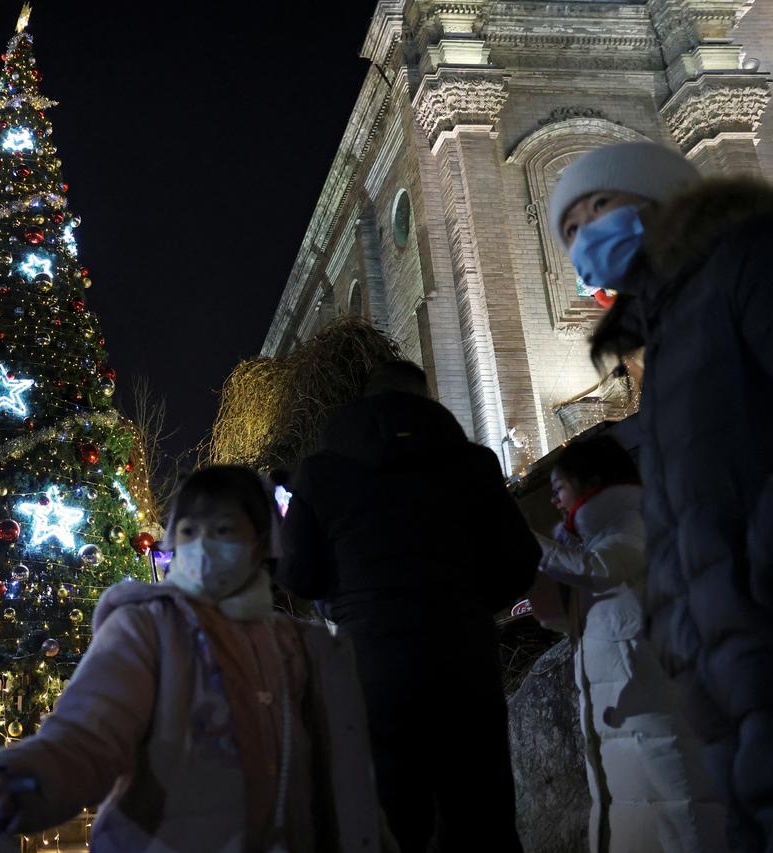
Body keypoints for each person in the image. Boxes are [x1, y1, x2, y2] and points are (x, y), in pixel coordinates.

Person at [0, 465, 395, 852]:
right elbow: (88, 734)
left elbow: (350, 787)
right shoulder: (148, 628)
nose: (203, 545)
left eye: (224, 530)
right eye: (188, 531)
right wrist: (20, 778)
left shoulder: (304, 646)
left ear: (261, 542)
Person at [550, 141, 773, 851]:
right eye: (571, 227)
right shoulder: (667, 334)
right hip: (721, 649)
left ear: (661, 199)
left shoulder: (748, 261)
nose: (587, 234)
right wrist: (680, 625)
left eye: (601, 206)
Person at [277, 360, 537, 853]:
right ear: (426, 399)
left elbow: (298, 573)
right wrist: (471, 604)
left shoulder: (321, 473)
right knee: (481, 819)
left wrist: (348, 602)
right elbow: (519, 562)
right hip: (466, 663)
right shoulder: (475, 465)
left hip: (370, 668)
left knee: (390, 823)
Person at [531, 436, 725, 852]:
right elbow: (567, 619)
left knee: (687, 823)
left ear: (589, 483)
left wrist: (529, 542)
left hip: (660, 722)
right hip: (625, 725)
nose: (554, 502)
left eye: (559, 489)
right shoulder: (599, 542)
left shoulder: (634, 523)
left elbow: (600, 570)